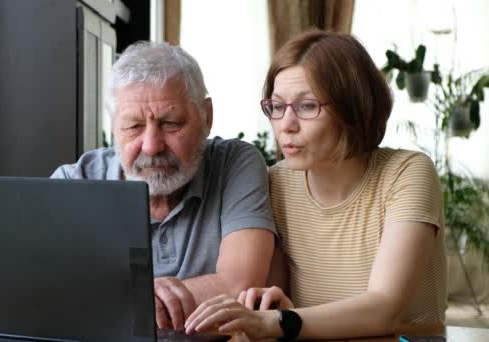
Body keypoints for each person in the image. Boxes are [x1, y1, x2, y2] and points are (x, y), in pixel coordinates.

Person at [184, 30, 447, 340]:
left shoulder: (407, 172)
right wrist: (273, 306)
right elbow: (279, 303)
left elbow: (384, 308)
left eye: (307, 106)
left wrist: (278, 321)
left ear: (354, 107)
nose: (286, 124)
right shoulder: (277, 182)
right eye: (277, 106)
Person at [51, 41, 276, 331]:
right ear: (113, 126)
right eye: (133, 126)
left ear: (206, 116)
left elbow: (239, 284)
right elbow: (52, 295)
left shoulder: (234, 163)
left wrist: (117, 299)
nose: (152, 146)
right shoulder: (74, 182)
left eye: (170, 123)